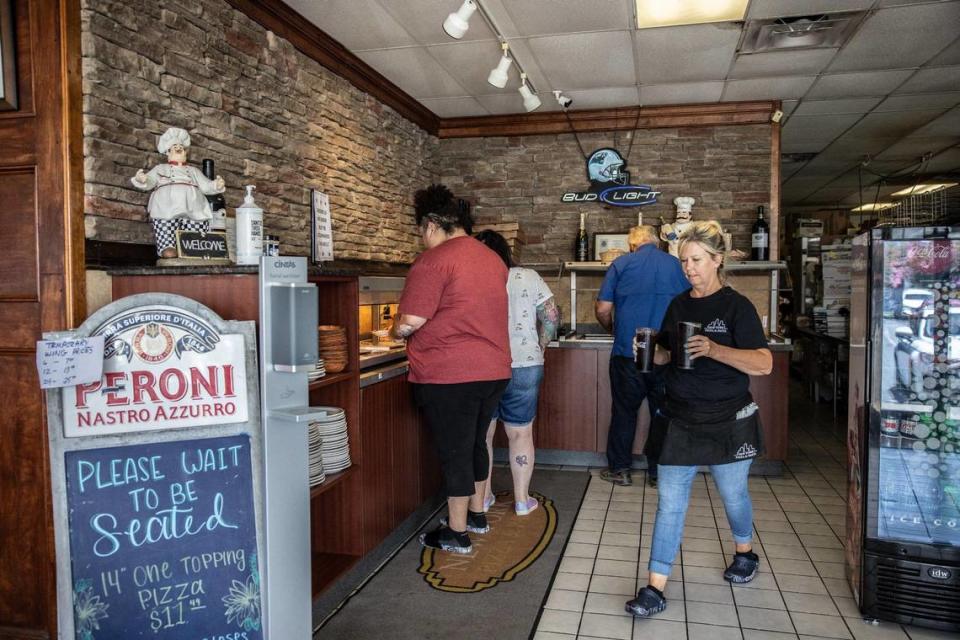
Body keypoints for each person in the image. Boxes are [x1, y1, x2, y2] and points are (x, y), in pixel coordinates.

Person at [625, 220, 773, 618]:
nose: (688, 267)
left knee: (733, 495)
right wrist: (648, 351)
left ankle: (746, 552)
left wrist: (714, 348)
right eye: (684, 261)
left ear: (716, 260)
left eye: (695, 260)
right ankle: (655, 588)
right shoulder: (678, 305)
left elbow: (763, 363)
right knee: (670, 504)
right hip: (680, 418)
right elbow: (669, 356)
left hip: (729, 418)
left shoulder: (736, 306)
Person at [391, 185, 511, 555]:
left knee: (455, 451)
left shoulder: (434, 260)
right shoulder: (492, 258)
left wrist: (395, 331)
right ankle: (477, 514)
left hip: (451, 373)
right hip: (494, 369)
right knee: (475, 443)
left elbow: (410, 321)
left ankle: (456, 533)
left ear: (430, 225)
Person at [595, 225, 689, 488]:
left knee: (624, 412)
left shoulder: (622, 263)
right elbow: (690, 304)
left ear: (633, 245)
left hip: (628, 353)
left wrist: (613, 328)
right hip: (665, 354)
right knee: (663, 413)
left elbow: (603, 308)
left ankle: (621, 470)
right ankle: (658, 473)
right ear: (655, 243)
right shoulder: (677, 265)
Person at [475, 230, 560, 516]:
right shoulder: (528, 276)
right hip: (526, 362)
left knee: (483, 436)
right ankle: (522, 501)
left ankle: (483, 498)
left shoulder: (472, 276)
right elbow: (550, 315)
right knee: (520, 433)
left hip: (484, 366)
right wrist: (542, 345)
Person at [131, 127, 226, 258]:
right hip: (167, 208)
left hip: (194, 208)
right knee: (167, 233)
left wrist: (216, 185)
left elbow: (206, 185)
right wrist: (142, 179)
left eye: (181, 146)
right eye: (175, 146)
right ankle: (168, 246)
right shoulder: (161, 168)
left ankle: (195, 249)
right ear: (168, 151)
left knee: (195, 236)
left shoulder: (193, 171)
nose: (178, 148)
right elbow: (150, 180)